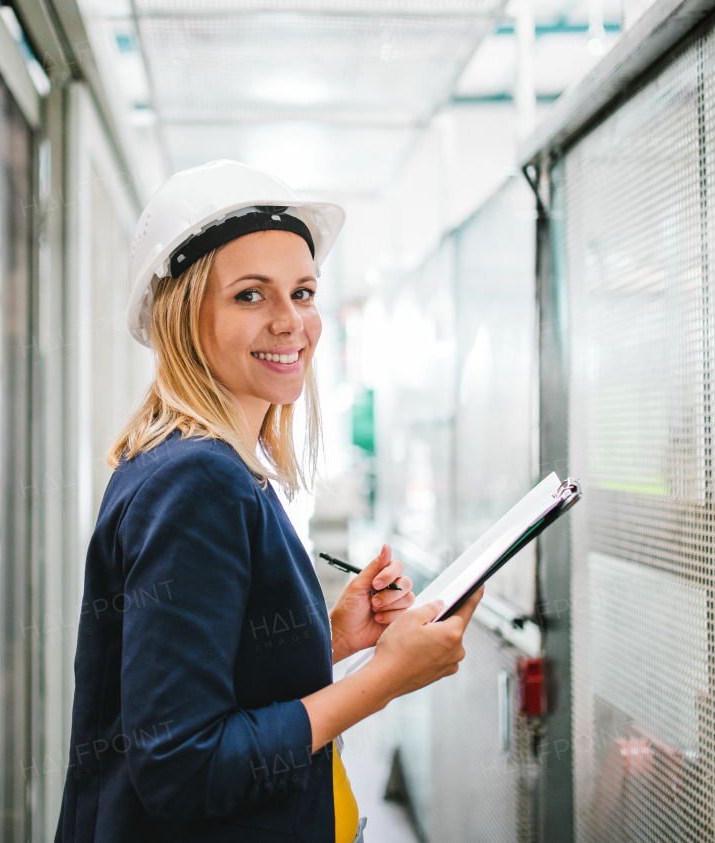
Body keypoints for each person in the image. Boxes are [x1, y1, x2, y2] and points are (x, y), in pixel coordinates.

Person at [54, 160, 483, 843]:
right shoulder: (196, 480)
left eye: (304, 292)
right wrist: (384, 679)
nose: (292, 322)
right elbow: (181, 764)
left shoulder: (183, 459)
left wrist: (330, 635)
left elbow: (202, 674)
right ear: (183, 316)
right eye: (251, 295)